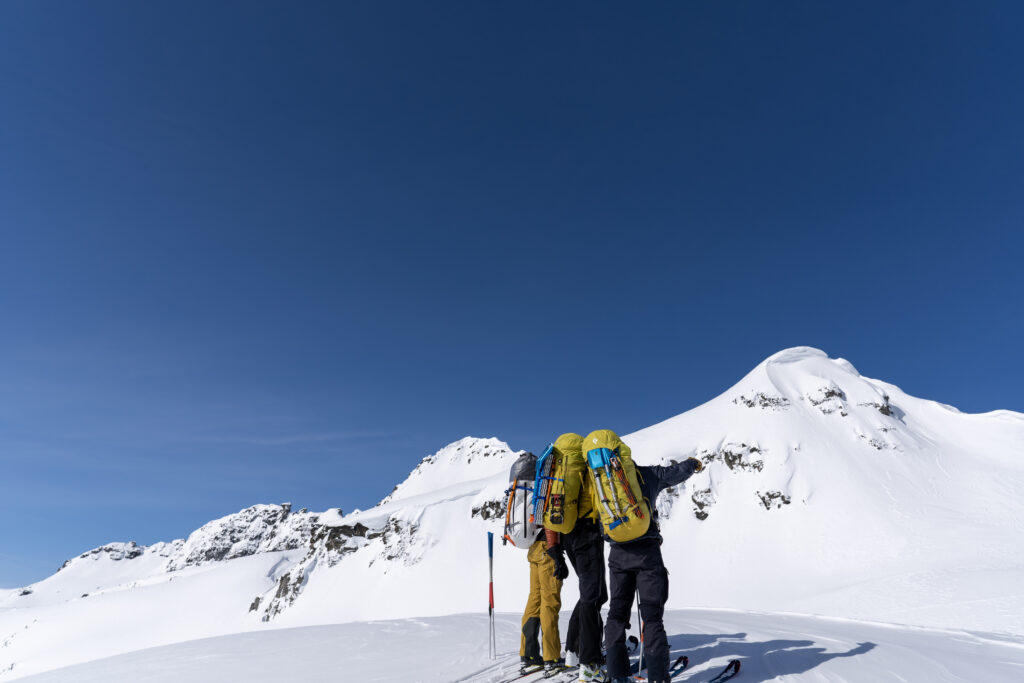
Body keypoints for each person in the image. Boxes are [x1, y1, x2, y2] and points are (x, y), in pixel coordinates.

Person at [600, 440, 704, 683]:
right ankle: (658, 677)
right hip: (647, 554)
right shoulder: (647, 474)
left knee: (617, 613)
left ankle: (616, 675)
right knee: (652, 617)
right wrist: (692, 464)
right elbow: (675, 473)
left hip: (618, 554)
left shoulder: (603, 485)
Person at [542, 433, 609, 683]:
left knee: (594, 594)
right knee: (593, 597)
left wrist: (555, 551)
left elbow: (550, 512)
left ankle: (573, 650)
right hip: (588, 535)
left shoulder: (558, 474)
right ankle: (589, 664)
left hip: (568, 537)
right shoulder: (587, 467)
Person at [521, 526, 565, 673]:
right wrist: (556, 553)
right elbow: (550, 521)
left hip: (534, 548)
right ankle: (552, 658)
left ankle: (529, 655)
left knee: (534, 600)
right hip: (548, 548)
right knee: (549, 602)